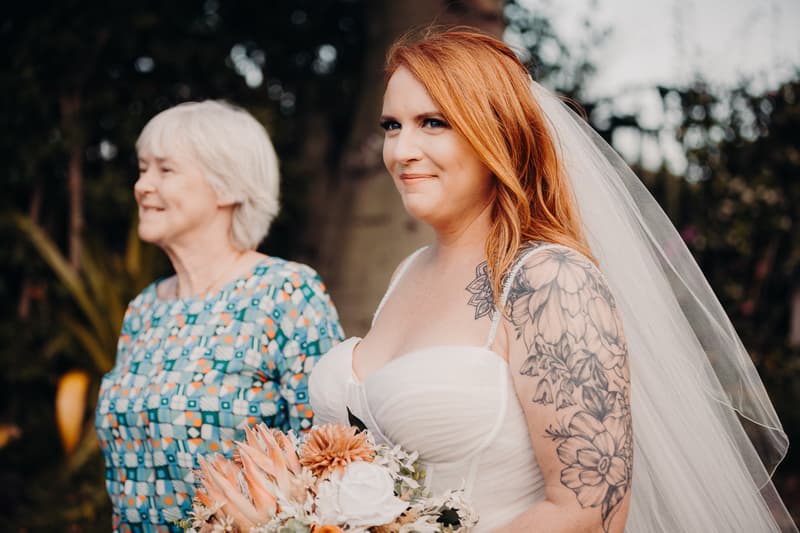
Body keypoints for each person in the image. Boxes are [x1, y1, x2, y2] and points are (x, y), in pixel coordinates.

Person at [309, 29, 796, 532]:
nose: (401, 150)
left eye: (433, 123)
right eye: (392, 126)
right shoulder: (408, 271)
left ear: (497, 133)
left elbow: (590, 512)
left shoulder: (551, 281)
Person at [95, 100, 344, 532]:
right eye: (143, 169)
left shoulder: (285, 293)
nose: (142, 186)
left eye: (165, 170)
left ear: (227, 188)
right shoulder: (143, 310)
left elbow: (330, 456)